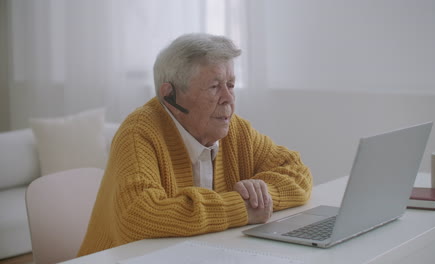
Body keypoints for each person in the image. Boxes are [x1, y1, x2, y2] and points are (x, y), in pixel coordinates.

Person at [78, 33, 312, 256]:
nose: (228, 98)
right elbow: (139, 217)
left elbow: (297, 173)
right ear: (170, 95)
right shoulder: (138, 133)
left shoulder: (235, 129)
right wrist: (240, 208)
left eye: (230, 85)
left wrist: (259, 198)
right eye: (214, 86)